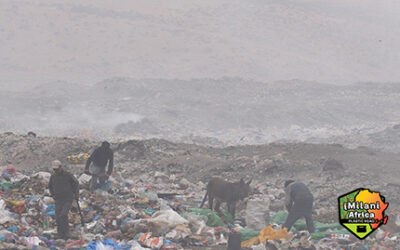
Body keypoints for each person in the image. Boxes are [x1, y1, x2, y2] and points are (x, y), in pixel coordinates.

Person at [48, 160, 79, 240]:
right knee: (58, 217)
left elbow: (76, 183)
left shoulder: (68, 175)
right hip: (58, 199)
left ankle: (67, 233)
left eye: (57, 169)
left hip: (67, 198)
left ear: (61, 167)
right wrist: (52, 194)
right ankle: (60, 234)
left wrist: (75, 194)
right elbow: (50, 186)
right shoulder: (53, 176)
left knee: (63, 215)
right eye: (54, 169)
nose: (56, 171)